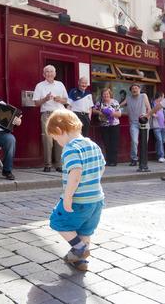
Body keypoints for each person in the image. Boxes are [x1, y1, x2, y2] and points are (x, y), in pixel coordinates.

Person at [46, 109, 105, 272]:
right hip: (96, 199)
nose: (58, 142)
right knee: (85, 230)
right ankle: (80, 261)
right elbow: (101, 167)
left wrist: (67, 196)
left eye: (55, 138)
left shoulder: (70, 148)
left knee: (58, 222)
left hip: (79, 200)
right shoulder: (93, 144)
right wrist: (92, 184)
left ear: (59, 131)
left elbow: (75, 173)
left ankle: (80, 249)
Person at [33, 65, 68, 172]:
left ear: (55, 73)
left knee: (59, 139)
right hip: (46, 114)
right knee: (47, 139)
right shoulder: (39, 86)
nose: (49, 73)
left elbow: (66, 100)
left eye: (51, 71)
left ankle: (59, 165)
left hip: (59, 114)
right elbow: (36, 103)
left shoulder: (60, 84)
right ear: (44, 74)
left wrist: (60, 99)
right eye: (47, 72)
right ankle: (47, 164)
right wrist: (45, 99)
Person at [120, 84, 151, 166]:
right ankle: (134, 158)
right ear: (131, 91)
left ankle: (143, 159)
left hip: (144, 122)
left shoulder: (143, 96)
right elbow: (119, 105)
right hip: (133, 123)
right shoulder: (128, 98)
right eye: (133, 88)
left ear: (139, 89)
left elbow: (149, 108)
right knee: (134, 141)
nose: (135, 90)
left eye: (136, 88)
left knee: (144, 142)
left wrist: (147, 117)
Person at [92, 88, 121, 166]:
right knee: (106, 143)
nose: (106, 95)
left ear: (110, 94)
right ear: (102, 95)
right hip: (104, 126)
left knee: (114, 143)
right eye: (104, 94)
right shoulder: (99, 103)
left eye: (107, 94)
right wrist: (100, 112)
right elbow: (93, 110)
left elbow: (119, 114)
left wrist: (112, 113)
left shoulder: (115, 102)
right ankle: (108, 161)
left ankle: (114, 161)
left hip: (114, 125)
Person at [150, 92, 165, 163]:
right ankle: (161, 156)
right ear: (160, 96)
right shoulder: (152, 104)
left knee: (162, 141)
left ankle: (159, 155)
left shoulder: (162, 104)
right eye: (163, 96)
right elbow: (149, 111)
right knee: (159, 140)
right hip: (156, 125)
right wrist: (153, 114)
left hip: (164, 125)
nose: (164, 98)